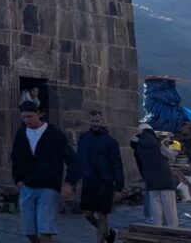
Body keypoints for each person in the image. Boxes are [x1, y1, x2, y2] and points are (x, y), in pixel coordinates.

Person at [10, 100, 78, 243]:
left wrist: (69, 183)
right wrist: (18, 180)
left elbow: (72, 160)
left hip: (48, 187)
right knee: (29, 231)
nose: (26, 120)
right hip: (27, 186)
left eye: (29, 116)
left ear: (38, 114)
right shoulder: (21, 134)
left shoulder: (54, 134)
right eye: (23, 117)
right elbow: (15, 158)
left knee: (45, 230)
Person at [76, 110, 124, 243]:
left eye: (97, 121)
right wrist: (75, 179)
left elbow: (117, 164)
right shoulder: (84, 138)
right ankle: (108, 233)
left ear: (102, 121)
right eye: (92, 121)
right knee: (87, 213)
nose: (95, 123)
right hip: (89, 182)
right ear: (89, 122)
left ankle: (101, 240)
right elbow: (79, 159)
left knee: (103, 216)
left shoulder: (110, 142)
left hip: (105, 183)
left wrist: (119, 187)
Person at [133, 124, 178, 228]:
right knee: (169, 207)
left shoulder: (139, 147)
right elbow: (171, 157)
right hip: (165, 179)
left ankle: (157, 227)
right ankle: (173, 229)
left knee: (155, 207)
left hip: (150, 179)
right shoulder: (158, 145)